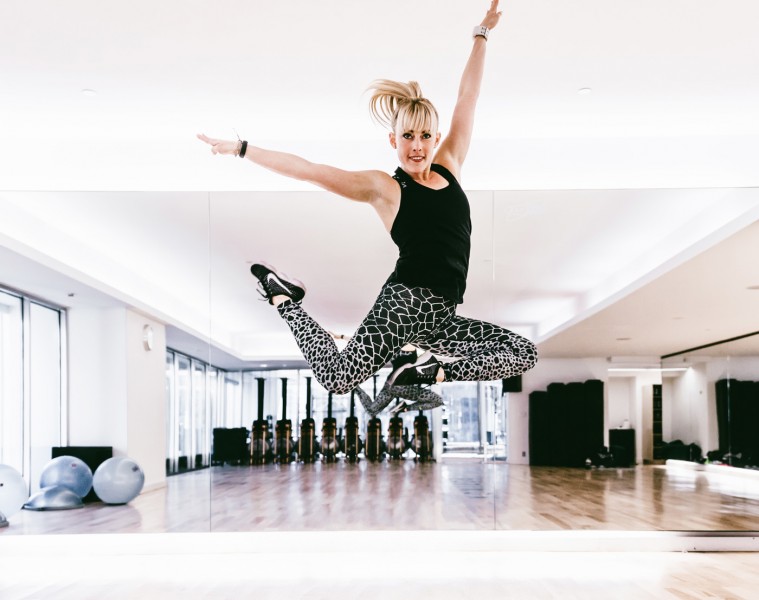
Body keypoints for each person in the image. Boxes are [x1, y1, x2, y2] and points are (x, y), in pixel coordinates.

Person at [198, 0, 537, 397]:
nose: (416, 146)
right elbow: (310, 170)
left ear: (436, 138)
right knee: (338, 379)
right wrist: (242, 149)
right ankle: (284, 298)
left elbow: (468, 97)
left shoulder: (450, 165)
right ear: (393, 140)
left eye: (424, 136)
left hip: (442, 316)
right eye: (407, 136)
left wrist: (482, 34)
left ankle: (433, 373)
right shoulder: (386, 188)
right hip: (404, 304)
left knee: (523, 353)